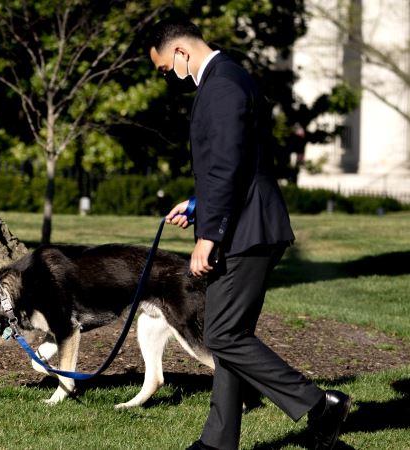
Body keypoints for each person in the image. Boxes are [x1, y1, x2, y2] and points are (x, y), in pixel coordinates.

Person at [148, 17, 351, 450]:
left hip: (246, 232)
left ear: (181, 53)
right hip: (244, 224)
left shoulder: (220, 85)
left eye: (165, 69)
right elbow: (240, 161)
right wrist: (200, 205)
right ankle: (219, 442)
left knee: (223, 335)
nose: (168, 79)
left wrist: (209, 235)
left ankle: (321, 406)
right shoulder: (230, 76)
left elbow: (225, 165)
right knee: (228, 334)